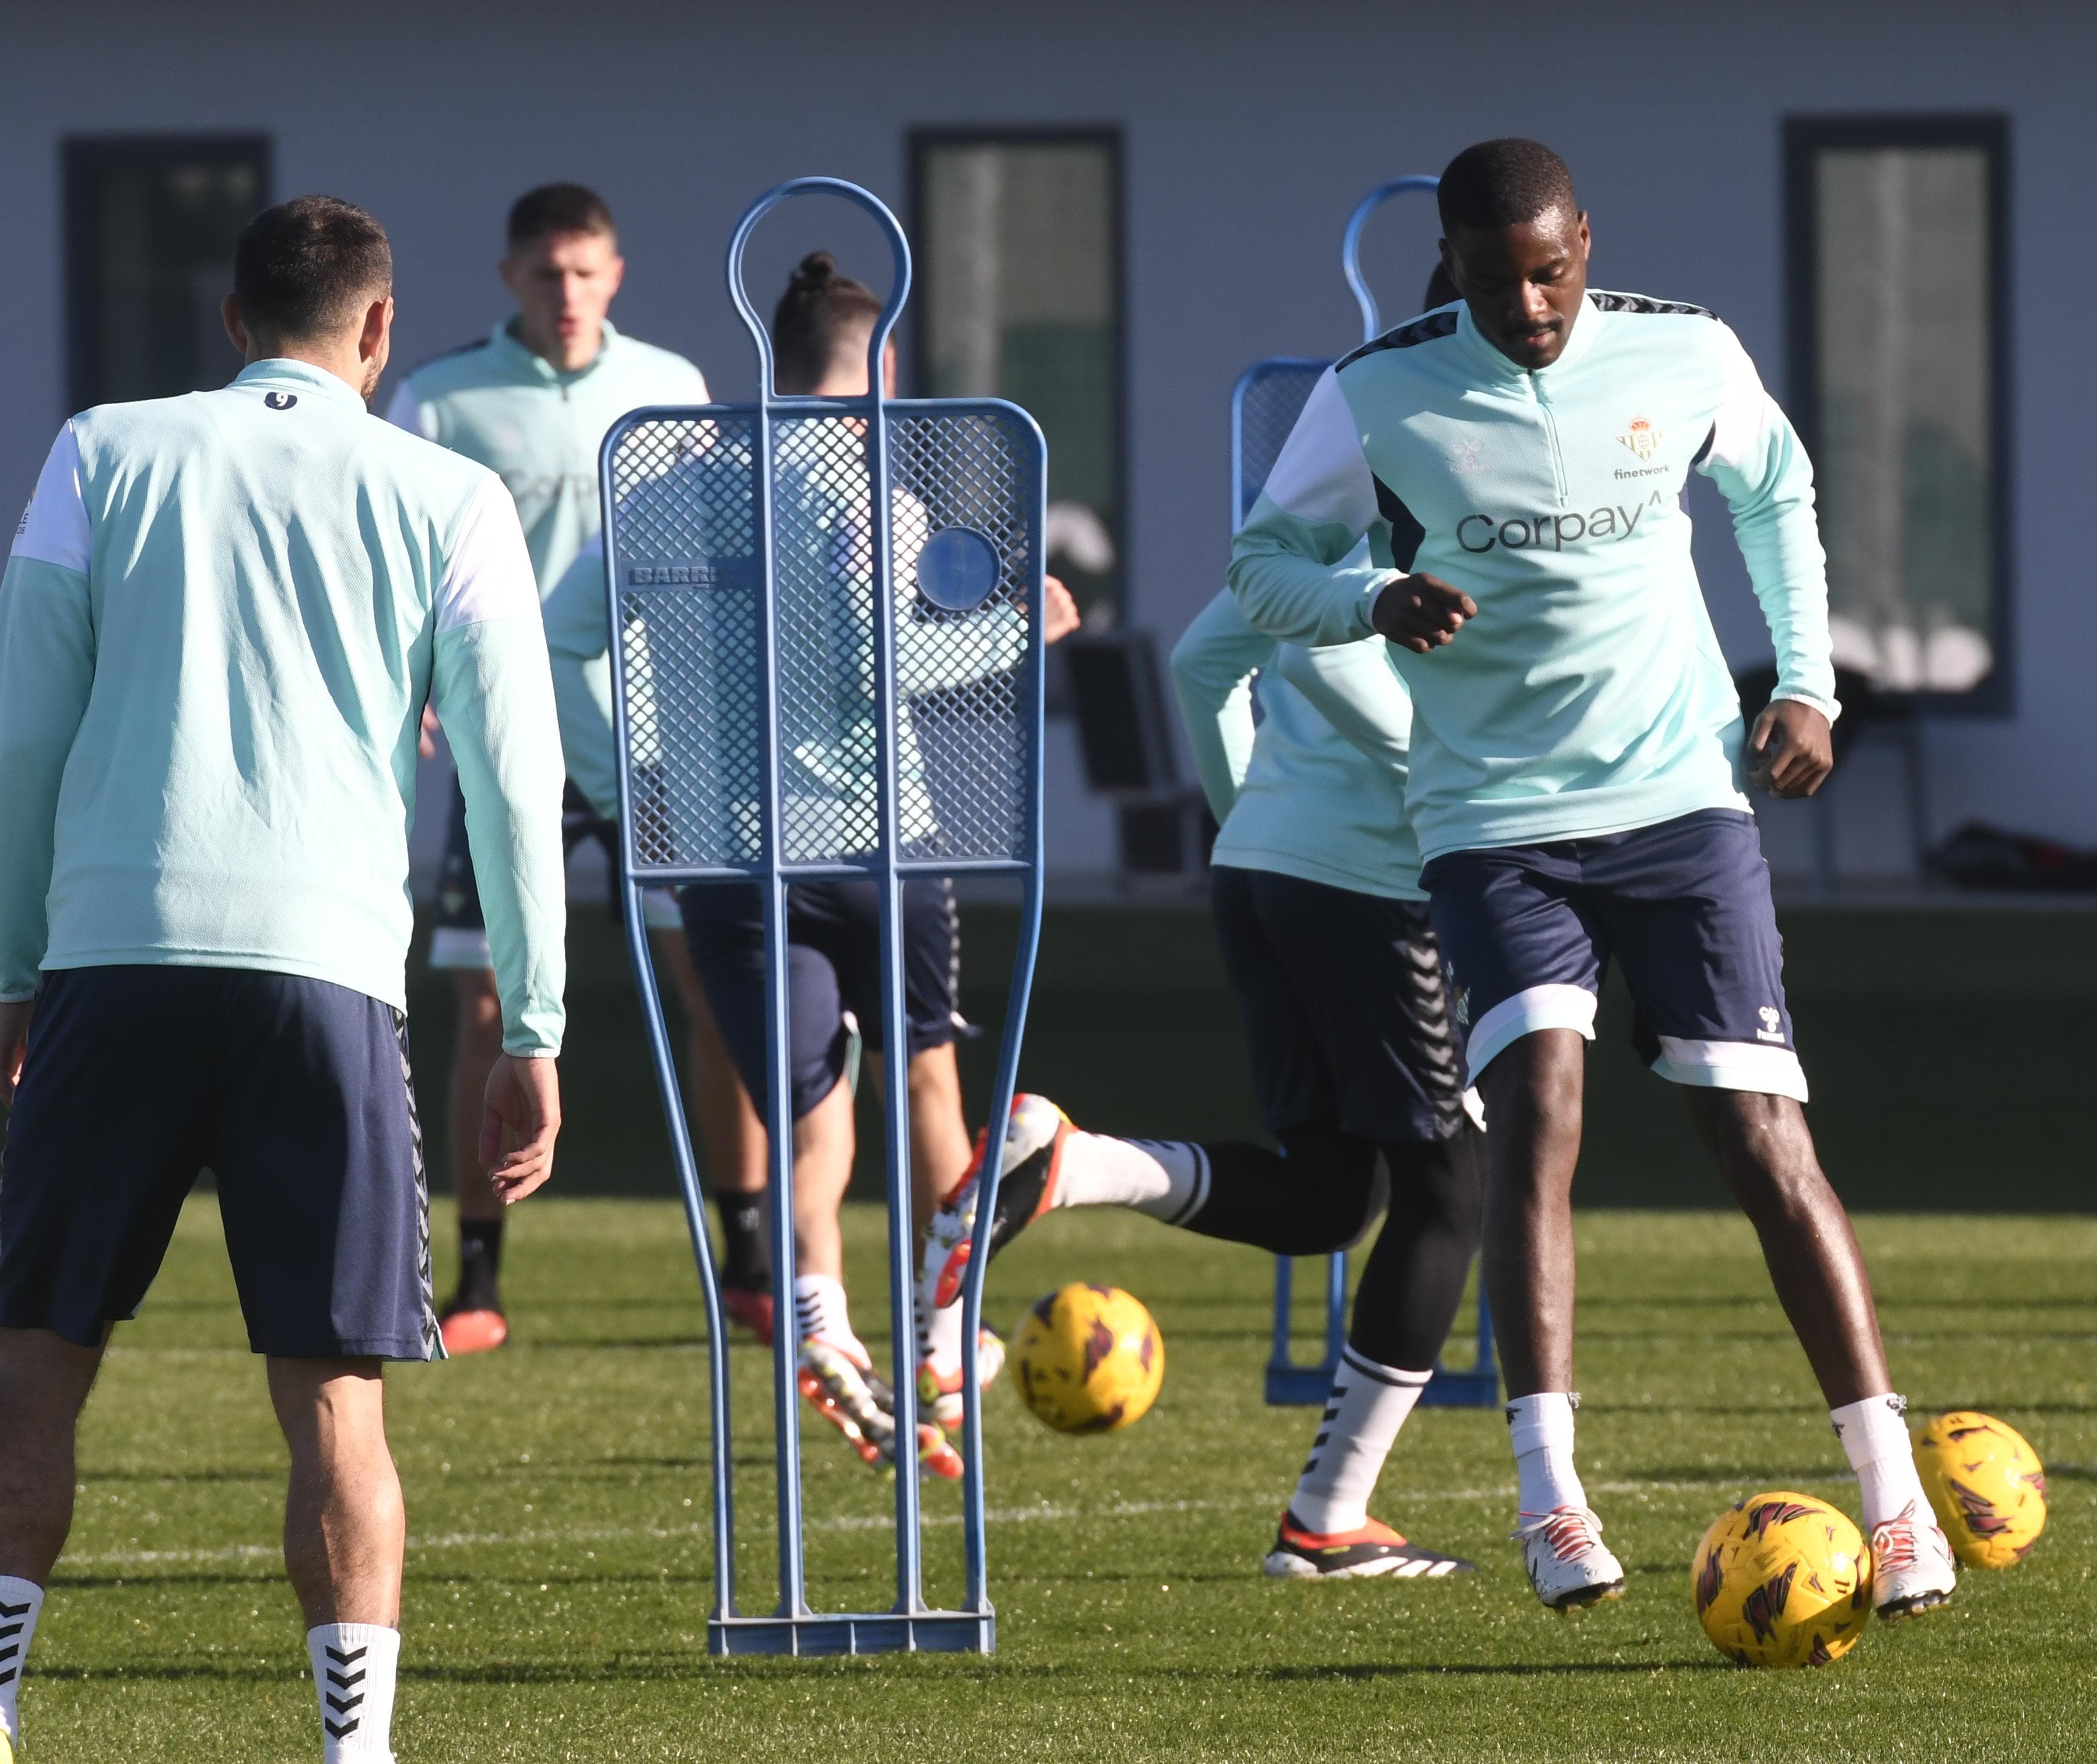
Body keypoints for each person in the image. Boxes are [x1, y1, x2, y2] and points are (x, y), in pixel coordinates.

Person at [1225, 138, 1957, 1618]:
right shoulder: (1377, 391)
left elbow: (1776, 494)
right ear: (1455, 265)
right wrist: (1372, 594)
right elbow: (1259, 569)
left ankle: (1893, 1501)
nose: (1530, 305)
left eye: (1549, 271)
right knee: (1538, 1107)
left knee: (1761, 1138)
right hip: (1491, 821)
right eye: (1496, 281)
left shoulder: (1683, 353)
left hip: (1681, 800)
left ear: (1583, 242)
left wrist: (1806, 684)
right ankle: (1550, 1498)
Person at [0, 196, 567, 1764]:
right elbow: (519, 782)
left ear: (234, 322)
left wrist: (6, 969)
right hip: (325, 982)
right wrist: (535, 1021)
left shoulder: (99, 451)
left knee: (34, 1359)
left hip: (113, 958)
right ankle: (352, 1751)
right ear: (378, 331)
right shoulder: (449, 490)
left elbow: (23, 734)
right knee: (334, 1399)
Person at [960, 268, 1484, 1582]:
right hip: (1362, 884)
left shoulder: (1320, 506)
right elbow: (1364, 680)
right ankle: (1326, 1519)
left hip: (1259, 870)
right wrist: (1442, 802)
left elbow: (1208, 662)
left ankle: (1074, 1164)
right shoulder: (1420, 512)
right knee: (1449, 1189)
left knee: (1327, 1197)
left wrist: (1251, 815)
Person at [556, 252, 1073, 1475]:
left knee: (808, 1114)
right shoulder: (864, 495)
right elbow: (874, 667)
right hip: (873, 838)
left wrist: (629, 780)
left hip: (726, 856)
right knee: (928, 1086)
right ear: (881, 366)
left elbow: (561, 639)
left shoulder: (660, 483)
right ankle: (942, 1328)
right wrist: (1020, 629)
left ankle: (818, 1314)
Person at [385, 182, 765, 1355]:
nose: (565, 294)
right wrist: (415, 683)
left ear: (616, 273)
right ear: (510, 278)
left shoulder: (672, 390)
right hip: (508, 747)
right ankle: (478, 1278)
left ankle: (751, 1260)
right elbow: (391, 548)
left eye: (585, 272)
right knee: (486, 1005)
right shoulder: (439, 398)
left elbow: (719, 559)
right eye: (545, 274)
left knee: (712, 988)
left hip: (654, 741)